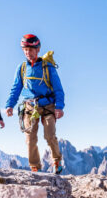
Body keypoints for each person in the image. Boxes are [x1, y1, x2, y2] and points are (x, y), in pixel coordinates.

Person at [5, 34, 65, 173]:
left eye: (31, 50)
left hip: (48, 106)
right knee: (30, 139)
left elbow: (58, 89)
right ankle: (35, 167)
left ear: (38, 49)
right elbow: (16, 88)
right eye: (25, 50)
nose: (28, 52)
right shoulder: (22, 68)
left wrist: (59, 107)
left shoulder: (48, 67)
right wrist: (10, 105)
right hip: (30, 107)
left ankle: (56, 160)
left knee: (50, 136)